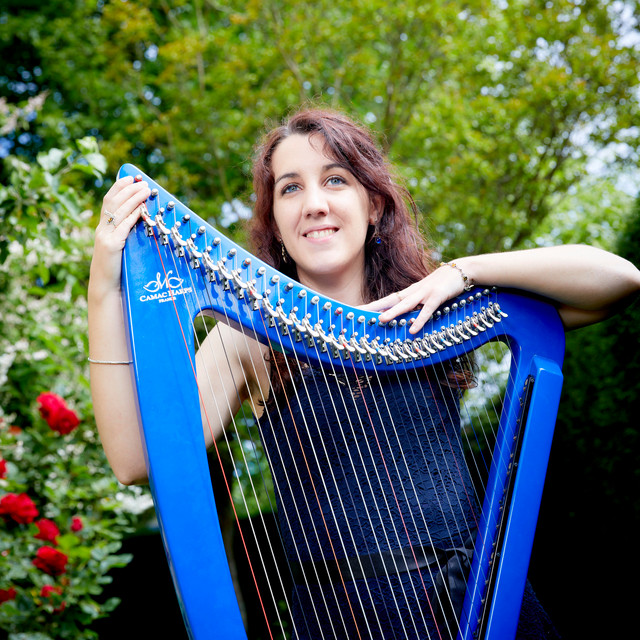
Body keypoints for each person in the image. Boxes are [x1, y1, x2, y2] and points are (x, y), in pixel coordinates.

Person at [88, 108, 640, 639]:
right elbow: (134, 459)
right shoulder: (248, 338)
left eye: (335, 180)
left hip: (477, 611)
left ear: (373, 205)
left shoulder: (440, 313)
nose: (314, 204)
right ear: (275, 224)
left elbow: (617, 280)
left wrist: (463, 273)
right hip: (341, 622)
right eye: (290, 188)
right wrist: (103, 289)